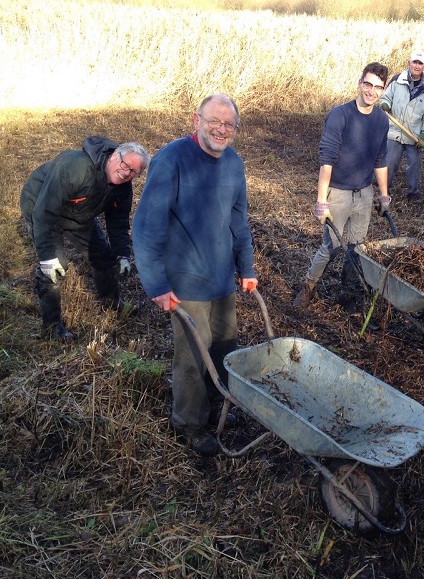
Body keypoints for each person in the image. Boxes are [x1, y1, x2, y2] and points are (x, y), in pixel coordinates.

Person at [133, 94, 257, 457]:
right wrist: (156, 283)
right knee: (192, 354)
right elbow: (147, 226)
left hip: (222, 279)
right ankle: (189, 424)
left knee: (224, 346)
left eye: (228, 124)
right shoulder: (171, 159)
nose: (221, 129)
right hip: (186, 280)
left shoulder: (233, 163)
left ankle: (219, 405)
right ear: (196, 120)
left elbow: (239, 220)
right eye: (214, 121)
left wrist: (246, 267)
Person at [20, 137, 150, 342]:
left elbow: (118, 223)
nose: (126, 173)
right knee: (55, 268)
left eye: (133, 172)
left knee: (105, 258)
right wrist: (47, 257)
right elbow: (44, 212)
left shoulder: (123, 187)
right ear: (115, 155)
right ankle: (52, 327)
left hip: (80, 216)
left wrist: (122, 254)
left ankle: (112, 301)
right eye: (125, 165)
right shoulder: (76, 167)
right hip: (41, 207)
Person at [292, 62, 392, 312]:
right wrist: (321, 201)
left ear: (384, 90)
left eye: (378, 87)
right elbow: (327, 161)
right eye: (368, 84)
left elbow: (381, 159)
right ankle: (309, 287)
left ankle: (346, 289)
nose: (371, 91)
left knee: (358, 247)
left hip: (365, 193)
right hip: (338, 192)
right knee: (331, 247)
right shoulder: (340, 115)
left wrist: (384, 194)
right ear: (360, 83)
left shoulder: (381, 120)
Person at [379, 49, 424, 204]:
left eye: (420, 63)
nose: (417, 66)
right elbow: (387, 96)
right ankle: (384, 190)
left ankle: (413, 193)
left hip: (414, 135)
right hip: (395, 131)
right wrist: (385, 104)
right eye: (414, 62)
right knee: (389, 162)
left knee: (414, 165)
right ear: (409, 63)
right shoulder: (397, 80)